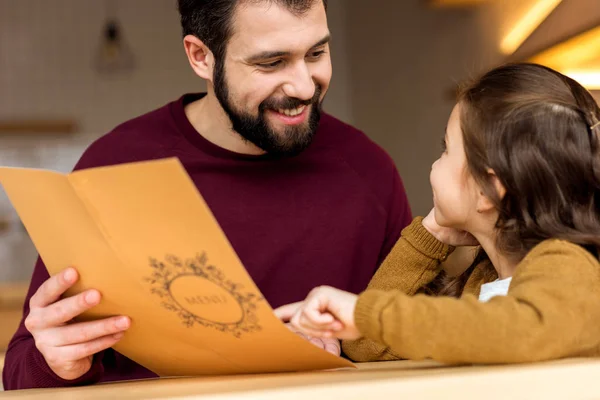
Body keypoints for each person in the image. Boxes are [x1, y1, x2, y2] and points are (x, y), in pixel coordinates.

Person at [2, 0, 412, 390]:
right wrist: (54, 362)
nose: (305, 86)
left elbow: (415, 346)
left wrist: (350, 344)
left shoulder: (368, 171)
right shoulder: (114, 164)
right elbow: (20, 371)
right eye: (271, 62)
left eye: (317, 53)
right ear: (201, 56)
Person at [277, 63, 600, 364]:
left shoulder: (567, 265)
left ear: (490, 187)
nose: (435, 164)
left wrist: (365, 313)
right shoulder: (482, 280)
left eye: (446, 149)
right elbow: (366, 346)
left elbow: (515, 330)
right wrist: (428, 237)